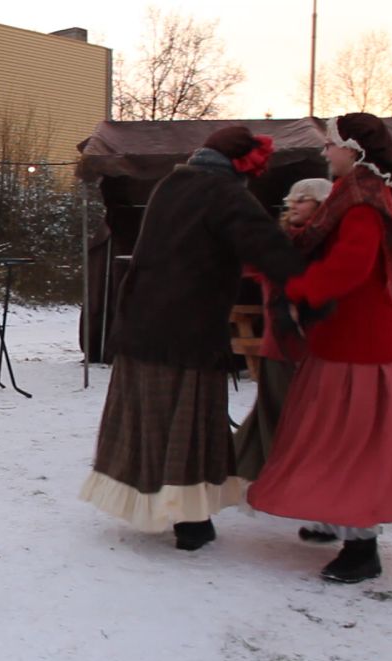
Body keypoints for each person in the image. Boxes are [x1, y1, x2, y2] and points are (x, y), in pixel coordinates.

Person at [79, 126, 305, 550]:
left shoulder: (171, 184)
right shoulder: (224, 193)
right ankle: (191, 521)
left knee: (149, 419)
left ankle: (162, 509)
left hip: (141, 322)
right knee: (186, 423)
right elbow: (269, 247)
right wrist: (310, 285)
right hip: (186, 329)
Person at [248, 113, 392, 583]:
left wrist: (298, 286)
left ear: (354, 149)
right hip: (340, 342)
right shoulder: (349, 195)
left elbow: (348, 269)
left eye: (331, 145)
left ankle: (362, 548)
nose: (325, 152)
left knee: (355, 446)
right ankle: (332, 518)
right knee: (329, 438)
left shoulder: (365, 202)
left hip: (361, 347)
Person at [233, 177, 332, 482]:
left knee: (309, 417)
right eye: (293, 199)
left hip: (321, 345)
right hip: (281, 342)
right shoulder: (280, 240)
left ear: (321, 204)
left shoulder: (331, 242)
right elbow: (249, 266)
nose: (294, 205)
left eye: (303, 199)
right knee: (276, 414)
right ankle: (267, 473)